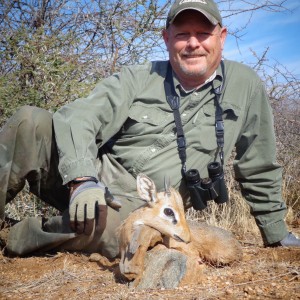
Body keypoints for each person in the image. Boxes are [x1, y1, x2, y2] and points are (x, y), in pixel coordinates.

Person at [0, 0, 299, 257]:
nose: (193, 43)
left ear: (221, 37)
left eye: (203, 34)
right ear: (166, 38)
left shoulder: (246, 85)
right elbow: (80, 115)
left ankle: (14, 238)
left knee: (112, 230)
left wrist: (275, 230)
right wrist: (82, 178)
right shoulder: (138, 76)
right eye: (182, 34)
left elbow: (258, 163)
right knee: (30, 121)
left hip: (147, 203)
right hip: (89, 179)